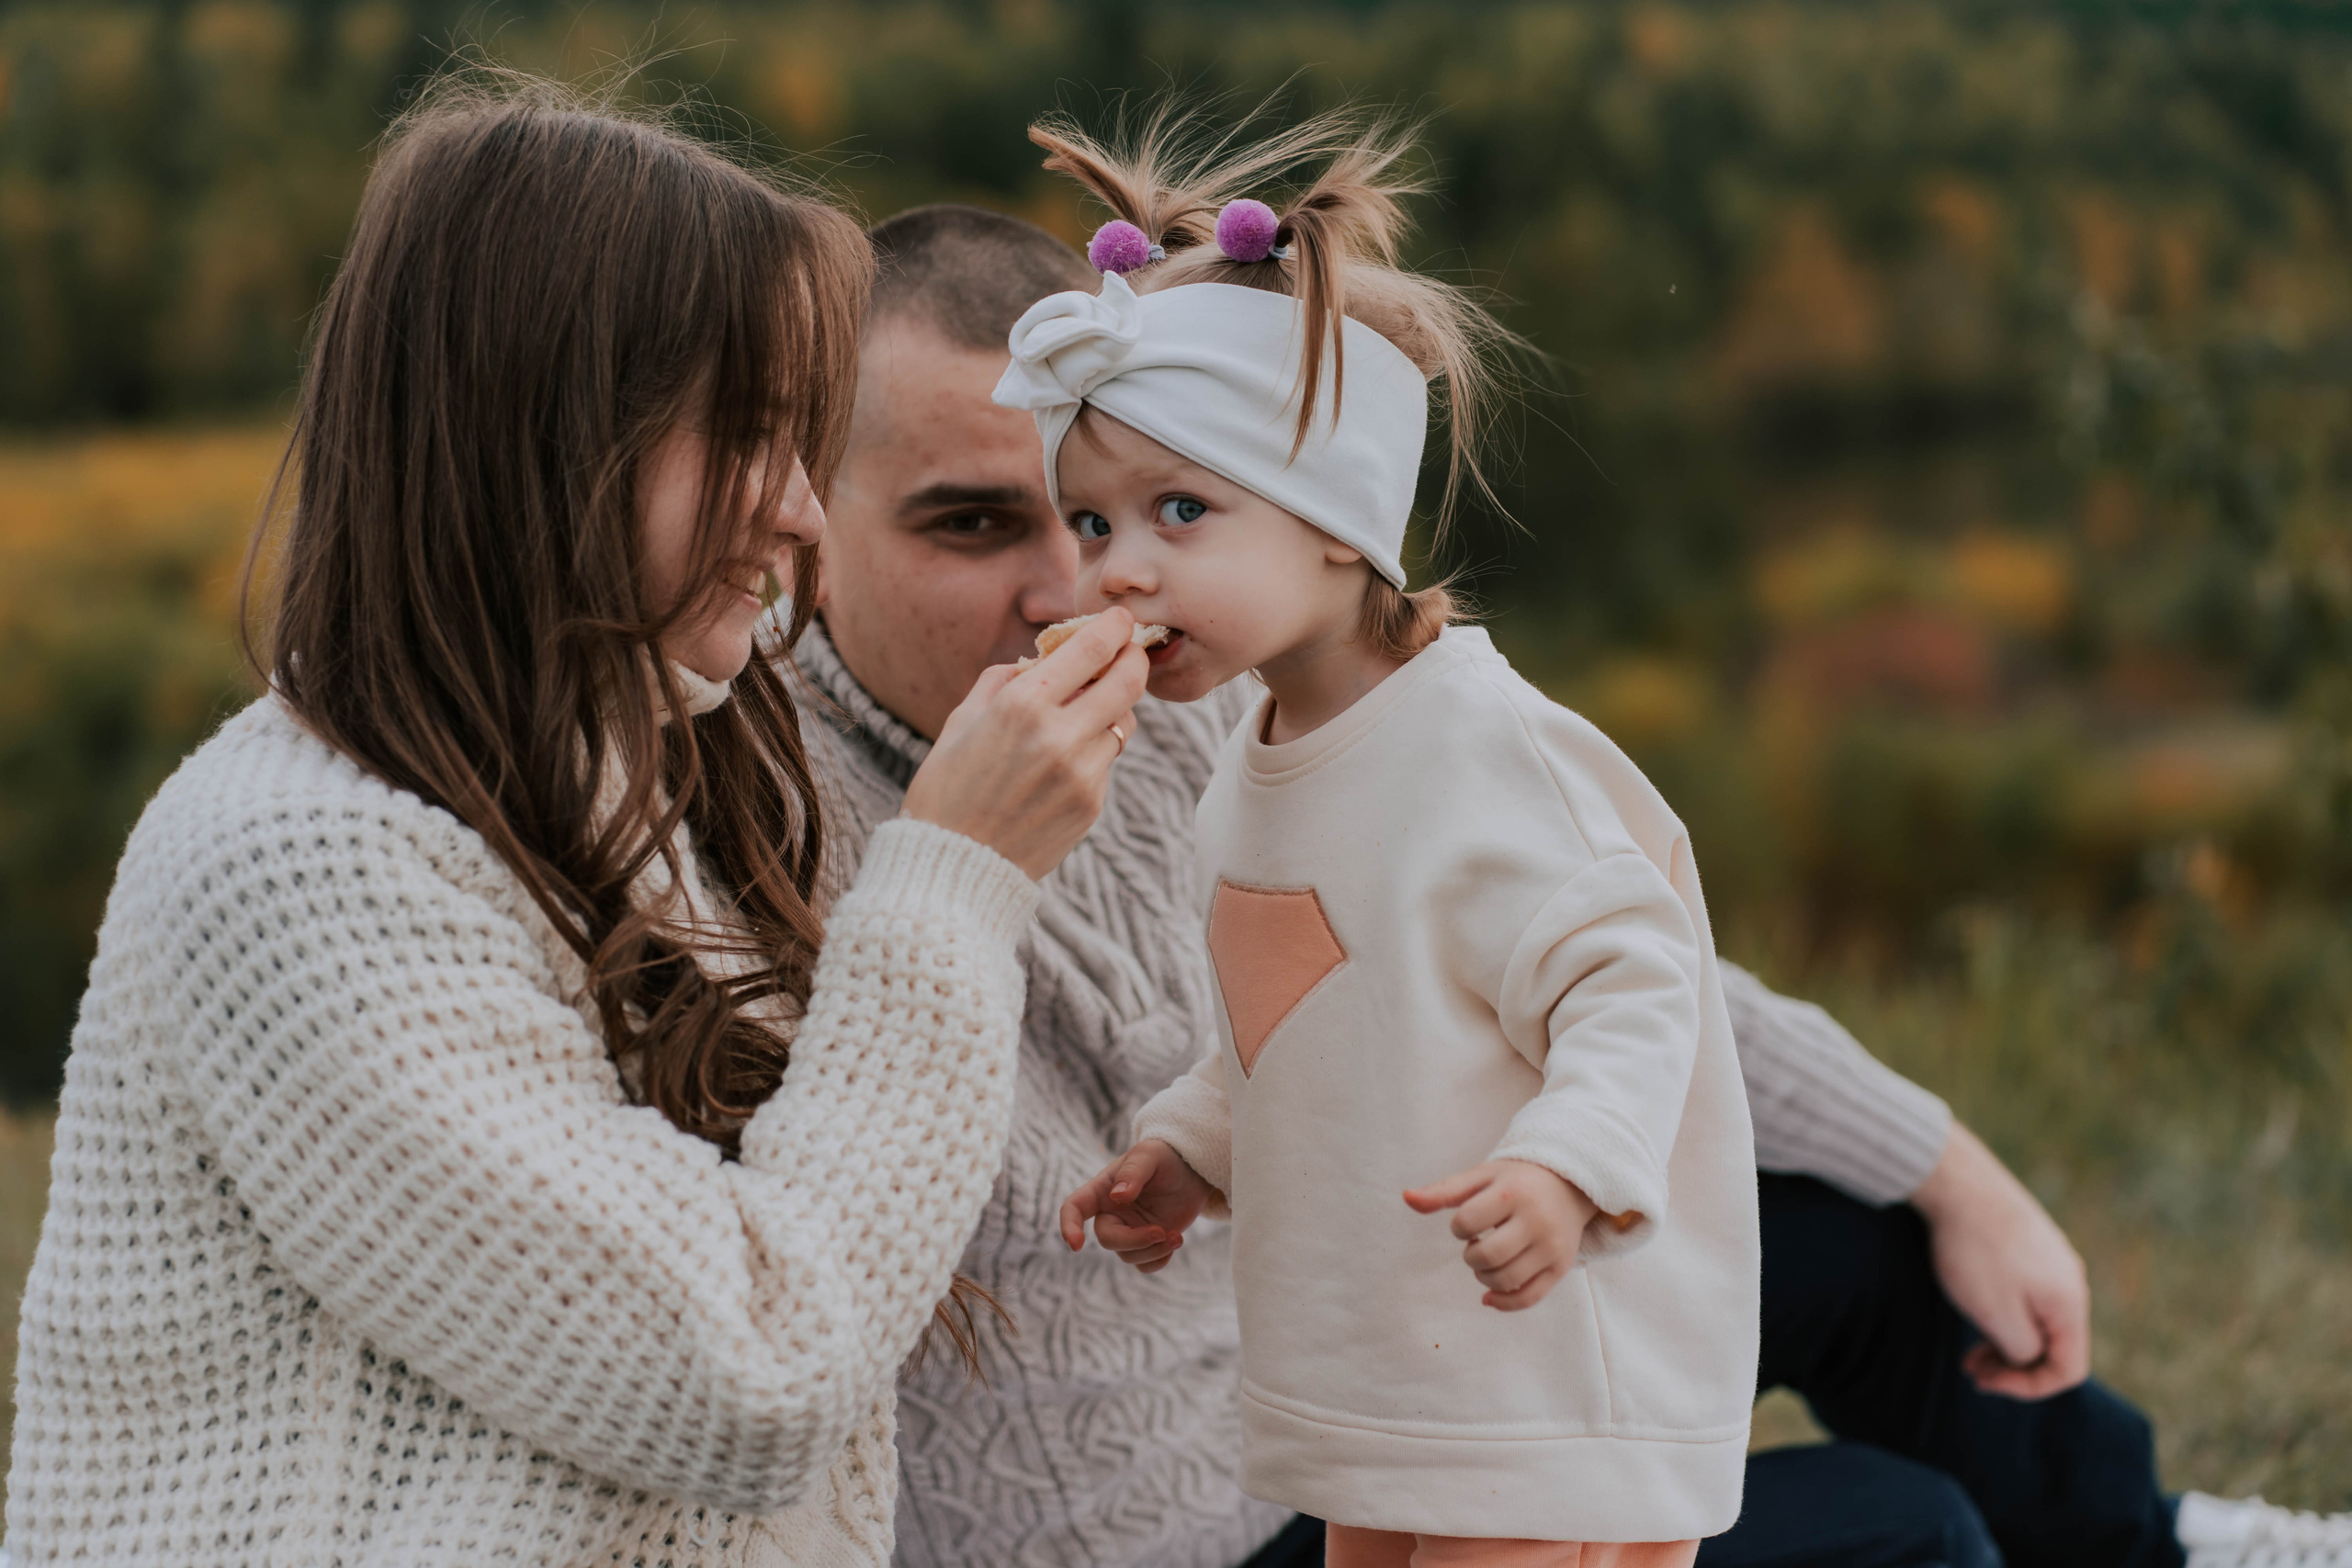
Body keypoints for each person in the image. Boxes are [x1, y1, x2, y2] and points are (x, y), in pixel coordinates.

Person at [804, 196, 2352, 1568]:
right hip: (1229, 1482)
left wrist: (1957, 1172)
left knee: (1855, 1239)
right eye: (981, 524)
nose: (1074, 586)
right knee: (1906, 1526)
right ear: (812, 525)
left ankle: (2149, 1538)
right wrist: (1005, 926)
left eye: (1154, 516)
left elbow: (1569, 946)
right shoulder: (768, 815)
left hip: (1405, 1328)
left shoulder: (1234, 703)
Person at [0, 82, 1152, 1568]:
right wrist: (958, 878)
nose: (803, 511)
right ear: (544, 436)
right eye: (746, 435)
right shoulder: (297, 863)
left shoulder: (654, 768)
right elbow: (748, 1374)